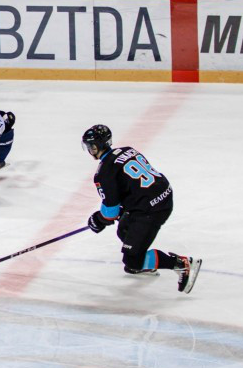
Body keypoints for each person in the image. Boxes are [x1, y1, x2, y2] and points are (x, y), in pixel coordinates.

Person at [81, 124, 201, 294]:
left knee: (132, 261)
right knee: (124, 230)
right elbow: (131, 185)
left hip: (151, 210)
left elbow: (110, 213)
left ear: (94, 147)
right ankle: (144, 260)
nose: (89, 150)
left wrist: (97, 220)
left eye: (89, 146)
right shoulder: (127, 150)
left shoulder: (104, 173)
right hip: (161, 195)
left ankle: (181, 264)